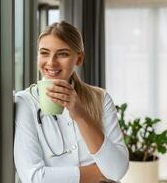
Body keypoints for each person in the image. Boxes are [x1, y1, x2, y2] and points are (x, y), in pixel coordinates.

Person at [14, 21, 129, 183]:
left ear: (79, 58)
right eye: (44, 53)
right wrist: (100, 173)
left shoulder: (101, 98)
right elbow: (34, 178)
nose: (51, 62)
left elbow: (117, 170)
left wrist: (81, 115)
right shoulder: (25, 102)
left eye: (63, 54)